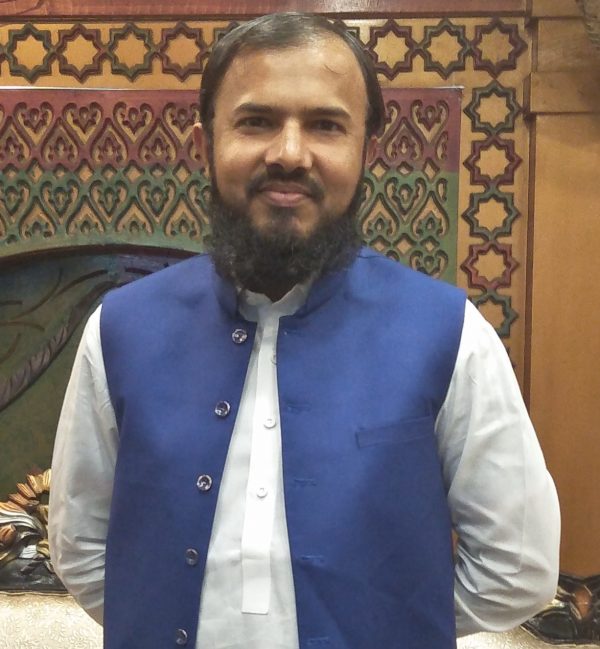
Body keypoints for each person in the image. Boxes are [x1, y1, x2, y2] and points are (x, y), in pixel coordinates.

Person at [49, 12, 560, 649]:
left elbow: (517, 568)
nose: (289, 153)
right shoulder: (119, 331)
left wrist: (385, 624)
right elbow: (80, 550)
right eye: (256, 121)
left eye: (325, 125)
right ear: (206, 142)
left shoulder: (451, 335)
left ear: (367, 149)